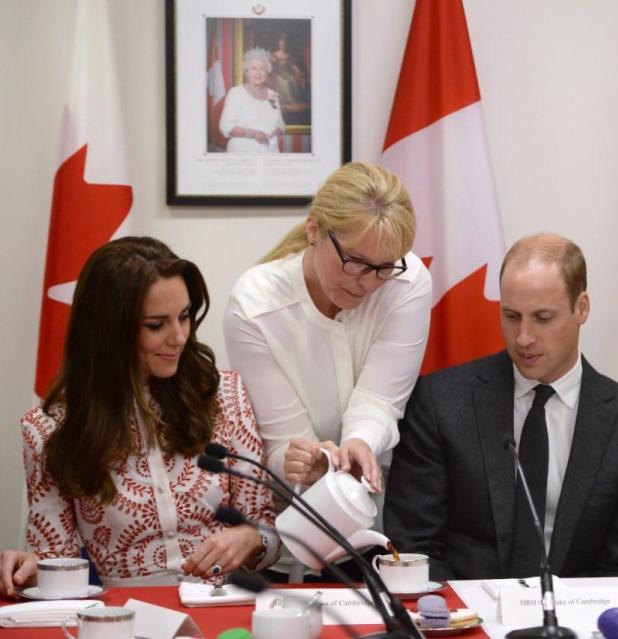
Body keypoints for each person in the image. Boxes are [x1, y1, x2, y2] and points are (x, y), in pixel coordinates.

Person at [0, 237, 279, 596]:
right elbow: (58, 570)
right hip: (124, 618)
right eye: (155, 325)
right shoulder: (50, 428)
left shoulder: (224, 395)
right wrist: (32, 569)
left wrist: (251, 537)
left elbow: (269, 537)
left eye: (184, 316)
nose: (178, 337)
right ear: (109, 330)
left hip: (224, 608)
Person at [383, 233, 618, 580]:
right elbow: (415, 549)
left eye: (543, 318)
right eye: (511, 315)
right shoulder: (441, 403)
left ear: (582, 308)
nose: (523, 337)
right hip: (464, 620)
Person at [223, 161, 431, 499]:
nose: (366, 283)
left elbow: (380, 401)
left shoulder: (406, 281)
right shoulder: (254, 306)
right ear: (314, 230)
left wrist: (359, 441)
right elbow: (281, 445)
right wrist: (313, 461)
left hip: (381, 500)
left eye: (382, 268)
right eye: (354, 261)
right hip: (295, 511)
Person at [219, 47, 285, 153]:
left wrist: (278, 130)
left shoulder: (272, 96)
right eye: (253, 68)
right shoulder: (237, 93)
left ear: (267, 73)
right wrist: (253, 134)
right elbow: (225, 126)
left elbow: (280, 123)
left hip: (269, 152)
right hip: (242, 152)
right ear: (247, 72)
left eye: (262, 69)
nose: (258, 73)